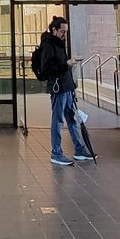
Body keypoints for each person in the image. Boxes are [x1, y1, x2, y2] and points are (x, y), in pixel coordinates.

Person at [37, 16, 90, 166]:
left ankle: (79, 149)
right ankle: (56, 153)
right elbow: (47, 68)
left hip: (66, 87)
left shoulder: (59, 44)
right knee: (58, 120)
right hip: (58, 88)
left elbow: (61, 65)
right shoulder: (49, 45)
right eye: (62, 31)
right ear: (54, 30)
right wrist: (66, 64)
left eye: (66, 32)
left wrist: (70, 75)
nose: (64, 35)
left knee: (71, 119)